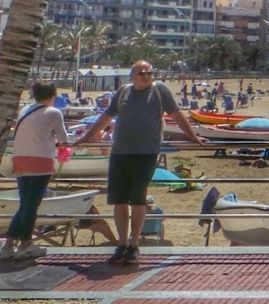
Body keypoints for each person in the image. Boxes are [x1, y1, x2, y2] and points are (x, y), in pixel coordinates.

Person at [75, 62, 204, 266]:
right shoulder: (123, 92)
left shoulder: (160, 90)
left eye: (150, 72)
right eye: (142, 73)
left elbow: (176, 115)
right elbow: (106, 117)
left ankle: (134, 245)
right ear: (132, 75)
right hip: (119, 153)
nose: (147, 76)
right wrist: (87, 137)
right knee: (119, 201)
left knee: (138, 200)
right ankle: (122, 244)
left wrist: (193, 136)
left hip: (146, 153)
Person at [0, 82, 69, 261]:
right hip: (40, 162)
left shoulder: (25, 111)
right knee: (31, 206)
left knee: (26, 205)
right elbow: (63, 138)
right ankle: (25, 244)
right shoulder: (54, 112)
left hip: (21, 160)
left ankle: (9, 245)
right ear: (53, 94)